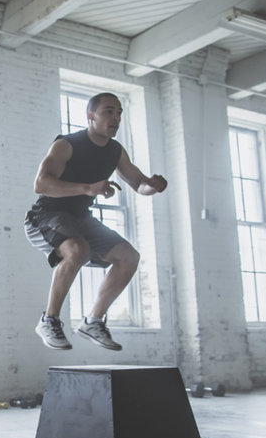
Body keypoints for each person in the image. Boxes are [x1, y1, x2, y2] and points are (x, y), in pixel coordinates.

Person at [25, 92, 166, 351]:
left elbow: (139, 184)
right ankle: (49, 320)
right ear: (91, 116)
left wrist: (153, 186)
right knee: (78, 250)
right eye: (108, 111)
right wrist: (88, 188)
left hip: (80, 219)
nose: (116, 118)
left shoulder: (115, 151)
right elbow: (41, 185)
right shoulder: (67, 144)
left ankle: (93, 321)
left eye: (119, 112)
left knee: (128, 257)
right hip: (47, 215)